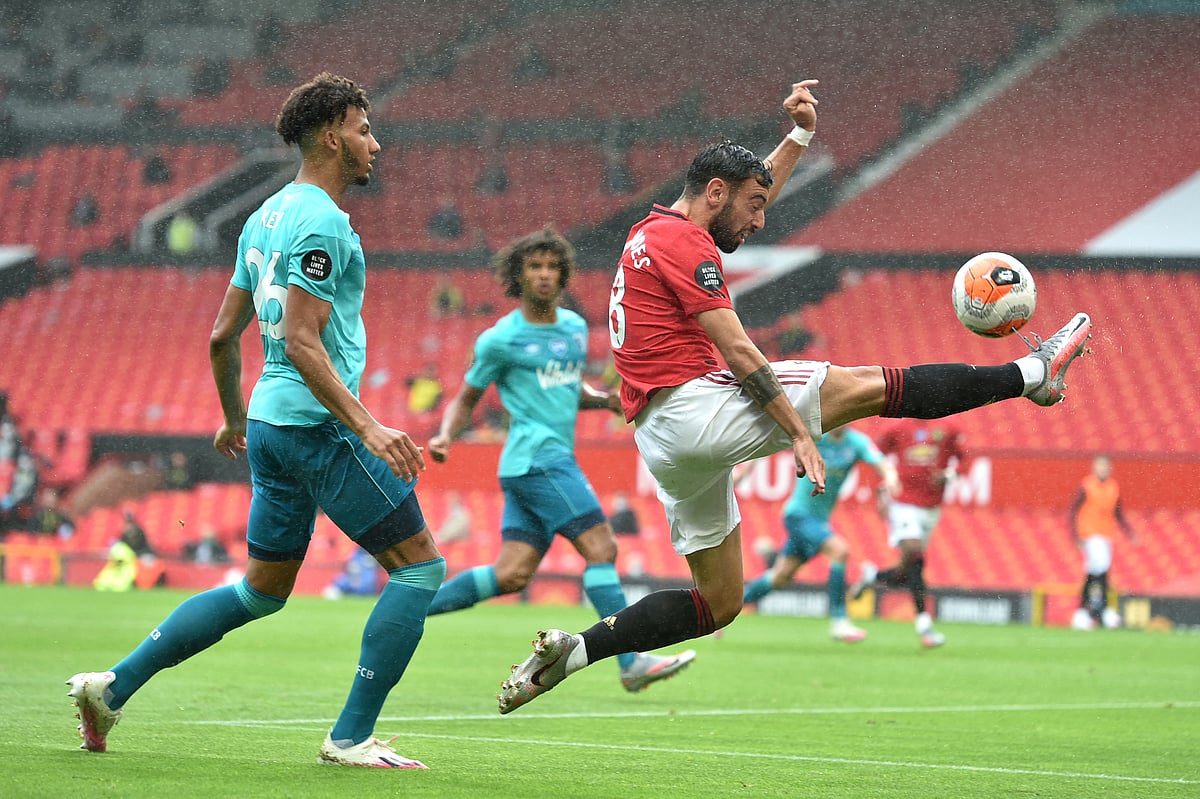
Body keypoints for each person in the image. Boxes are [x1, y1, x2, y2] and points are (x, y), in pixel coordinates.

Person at [496, 78, 1093, 714]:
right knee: (869, 387)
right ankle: (1031, 375)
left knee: (718, 602)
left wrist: (800, 136)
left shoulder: (652, 232)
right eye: (754, 206)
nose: (760, 220)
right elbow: (738, 349)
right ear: (715, 193)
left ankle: (574, 652)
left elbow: (747, 190)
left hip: (663, 439)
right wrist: (799, 430)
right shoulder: (682, 242)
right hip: (695, 409)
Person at [67, 73, 444, 770]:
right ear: (331, 136)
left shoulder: (262, 218)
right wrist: (369, 427)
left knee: (260, 591)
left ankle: (112, 685)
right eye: (364, 130)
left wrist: (234, 418)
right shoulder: (324, 221)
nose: (375, 144)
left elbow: (221, 336)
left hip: (269, 425)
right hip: (317, 427)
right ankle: (351, 736)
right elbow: (301, 340)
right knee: (420, 568)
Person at [428, 227, 695, 695]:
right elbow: (468, 397)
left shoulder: (573, 328)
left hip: (531, 467)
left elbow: (567, 388)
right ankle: (630, 662)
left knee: (511, 573)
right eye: (535, 266)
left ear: (564, 275)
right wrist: (447, 435)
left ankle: (410, 607)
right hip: (540, 460)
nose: (545, 275)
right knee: (601, 549)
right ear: (518, 275)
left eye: (553, 266)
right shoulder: (500, 339)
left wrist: (604, 400)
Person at [743, 424, 900, 643]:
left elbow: (881, 463)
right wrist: (746, 467)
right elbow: (772, 440)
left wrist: (891, 479)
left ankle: (724, 613)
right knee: (840, 551)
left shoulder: (856, 443)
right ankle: (839, 622)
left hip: (818, 520)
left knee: (779, 577)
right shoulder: (815, 436)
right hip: (798, 515)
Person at [851, 417, 965, 647]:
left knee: (909, 567)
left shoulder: (948, 428)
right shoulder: (897, 427)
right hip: (902, 501)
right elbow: (876, 457)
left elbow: (966, 458)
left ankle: (873, 577)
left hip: (932, 506)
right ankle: (924, 625)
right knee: (915, 553)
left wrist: (949, 475)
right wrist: (881, 491)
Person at [1069, 455, 1136, 630]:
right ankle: (1102, 611)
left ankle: (1085, 612)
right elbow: (1073, 510)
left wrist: (1129, 532)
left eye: (1105, 466)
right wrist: (1075, 535)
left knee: (1095, 573)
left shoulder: (1113, 487)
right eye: (1099, 466)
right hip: (1090, 534)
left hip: (1106, 535)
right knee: (1101, 568)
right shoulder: (1087, 485)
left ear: (1110, 469)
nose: (1102, 469)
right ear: (1094, 468)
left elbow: (1118, 513)